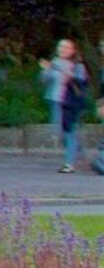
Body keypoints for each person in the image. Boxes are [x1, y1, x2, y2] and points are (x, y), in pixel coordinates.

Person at [49, 39, 92, 175]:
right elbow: (44, 80)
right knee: (60, 133)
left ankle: (69, 164)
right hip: (55, 101)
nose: (63, 49)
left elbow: (83, 83)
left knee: (69, 132)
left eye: (67, 47)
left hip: (71, 103)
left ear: (73, 50)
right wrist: (46, 71)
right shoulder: (54, 64)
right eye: (61, 46)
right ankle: (80, 154)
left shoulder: (78, 66)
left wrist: (70, 76)